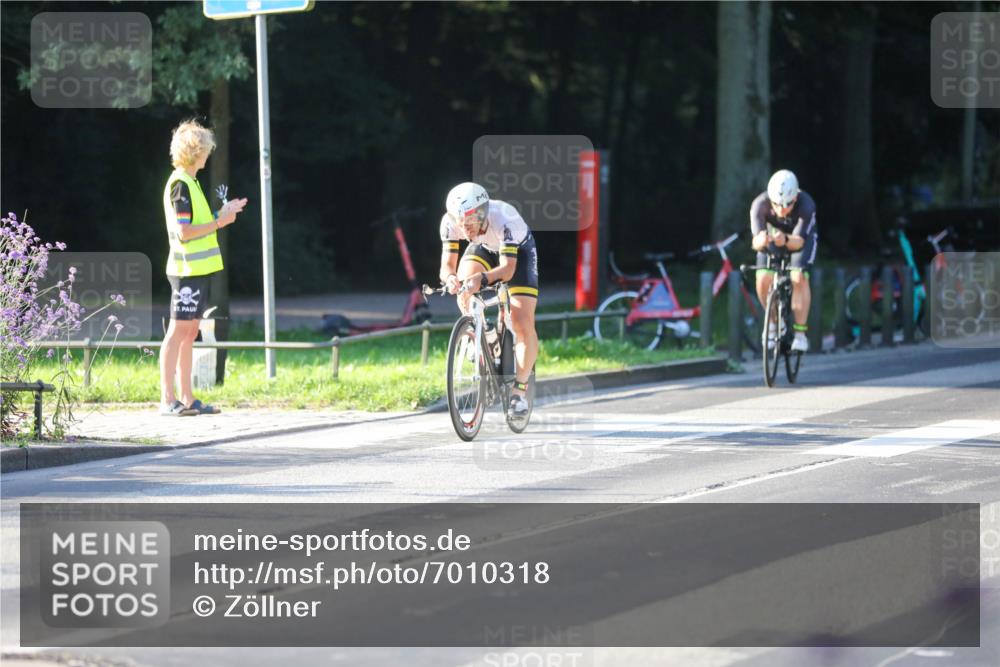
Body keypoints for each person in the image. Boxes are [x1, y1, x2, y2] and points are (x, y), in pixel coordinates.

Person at [159, 120, 247, 416]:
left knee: (189, 332)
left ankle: (187, 398)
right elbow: (185, 232)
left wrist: (220, 212)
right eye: (206, 149)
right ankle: (168, 400)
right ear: (195, 151)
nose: (209, 154)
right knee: (177, 332)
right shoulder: (181, 184)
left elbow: (194, 223)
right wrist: (220, 222)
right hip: (186, 271)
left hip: (196, 271)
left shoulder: (189, 182)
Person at [438, 182, 539, 417]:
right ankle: (481, 333)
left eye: (470, 223)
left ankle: (519, 393)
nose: (464, 230)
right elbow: (446, 266)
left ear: (482, 214)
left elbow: (508, 270)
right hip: (483, 248)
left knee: (523, 323)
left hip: (517, 255)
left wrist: (481, 279)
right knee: (464, 286)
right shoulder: (451, 223)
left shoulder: (505, 217)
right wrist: (451, 279)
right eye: (460, 223)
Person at [750, 169, 818, 353]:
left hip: (798, 240)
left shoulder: (806, 204)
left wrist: (786, 240)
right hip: (773, 239)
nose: (781, 209)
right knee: (762, 278)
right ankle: (772, 323)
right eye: (776, 204)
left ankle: (800, 334)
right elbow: (755, 242)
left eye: (787, 204)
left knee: (798, 277)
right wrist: (762, 240)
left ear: (795, 198)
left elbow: (799, 242)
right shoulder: (759, 205)